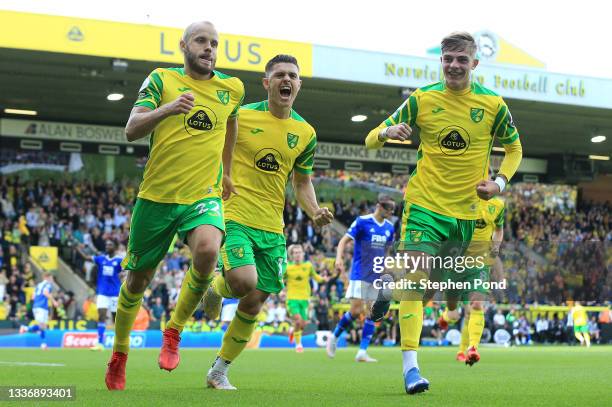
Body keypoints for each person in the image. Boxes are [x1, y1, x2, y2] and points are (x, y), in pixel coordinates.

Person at [365, 32, 522, 394]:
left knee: (426, 293)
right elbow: (370, 138)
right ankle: (411, 370)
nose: (453, 65)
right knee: (417, 284)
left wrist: (499, 183)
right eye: (448, 58)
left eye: (461, 60)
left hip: (466, 216)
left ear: (474, 64)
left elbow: (515, 150)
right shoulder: (422, 98)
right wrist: (388, 130)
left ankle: (390, 287)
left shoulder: (493, 105)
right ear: (441, 60)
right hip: (424, 205)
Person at [104, 20, 245, 391]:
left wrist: (227, 171)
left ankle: (174, 330)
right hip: (157, 198)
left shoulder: (232, 89)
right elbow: (132, 129)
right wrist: (168, 109)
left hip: (202, 196)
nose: (209, 48)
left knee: (208, 250)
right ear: (183, 45)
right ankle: (119, 354)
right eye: (201, 41)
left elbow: (231, 124)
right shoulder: (160, 80)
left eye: (214, 43)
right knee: (137, 280)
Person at [202, 54, 333, 390]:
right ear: (267, 82)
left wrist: (315, 211)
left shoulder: (306, 132)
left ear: (299, 84)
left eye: (292, 75)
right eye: (279, 75)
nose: (286, 80)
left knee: (255, 299)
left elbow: (301, 184)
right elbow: (213, 147)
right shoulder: (241, 116)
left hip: (273, 226)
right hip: (235, 215)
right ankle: (215, 289)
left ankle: (219, 370)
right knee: (243, 282)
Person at [327, 195, 396, 362]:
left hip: (376, 275)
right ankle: (334, 337)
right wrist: (338, 258)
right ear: (380, 206)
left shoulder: (389, 227)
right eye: (389, 209)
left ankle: (362, 352)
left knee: (372, 313)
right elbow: (344, 240)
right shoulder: (362, 221)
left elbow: (387, 251)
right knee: (356, 311)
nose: (391, 213)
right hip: (360, 272)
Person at [453, 197, 505, 365]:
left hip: (480, 263)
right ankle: (446, 320)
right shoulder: (461, 198)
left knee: (476, 306)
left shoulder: (497, 205)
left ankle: (472, 348)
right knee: (456, 313)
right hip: (457, 262)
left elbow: (499, 229)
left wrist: (496, 245)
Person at [77, 239, 123, 350]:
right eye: (106, 244)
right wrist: (78, 248)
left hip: (114, 294)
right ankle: (100, 343)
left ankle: (120, 342)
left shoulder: (119, 260)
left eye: (110, 244)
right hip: (102, 293)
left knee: (115, 318)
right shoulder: (101, 259)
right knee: (101, 316)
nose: (107, 246)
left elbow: (128, 269)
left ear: (115, 248)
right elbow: (86, 257)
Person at [284, 244, 326, 352]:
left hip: (305, 299)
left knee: (302, 325)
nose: (298, 254)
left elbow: (315, 277)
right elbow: (280, 280)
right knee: (297, 321)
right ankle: (298, 345)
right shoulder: (287, 267)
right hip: (292, 299)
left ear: (303, 254)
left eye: (299, 252)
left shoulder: (308, 266)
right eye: (295, 253)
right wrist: (280, 290)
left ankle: (293, 330)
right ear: (292, 255)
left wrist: (323, 279)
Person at [19, 272, 58, 349]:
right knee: (41, 326)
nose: (52, 280)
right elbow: (45, 292)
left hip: (37, 306)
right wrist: (54, 301)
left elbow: (33, 297)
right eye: (51, 278)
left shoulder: (38, 285)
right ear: (48, 277)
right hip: (41, 307)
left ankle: (43, 344)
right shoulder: (47, 284)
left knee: (43, 327)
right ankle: (25, 328)